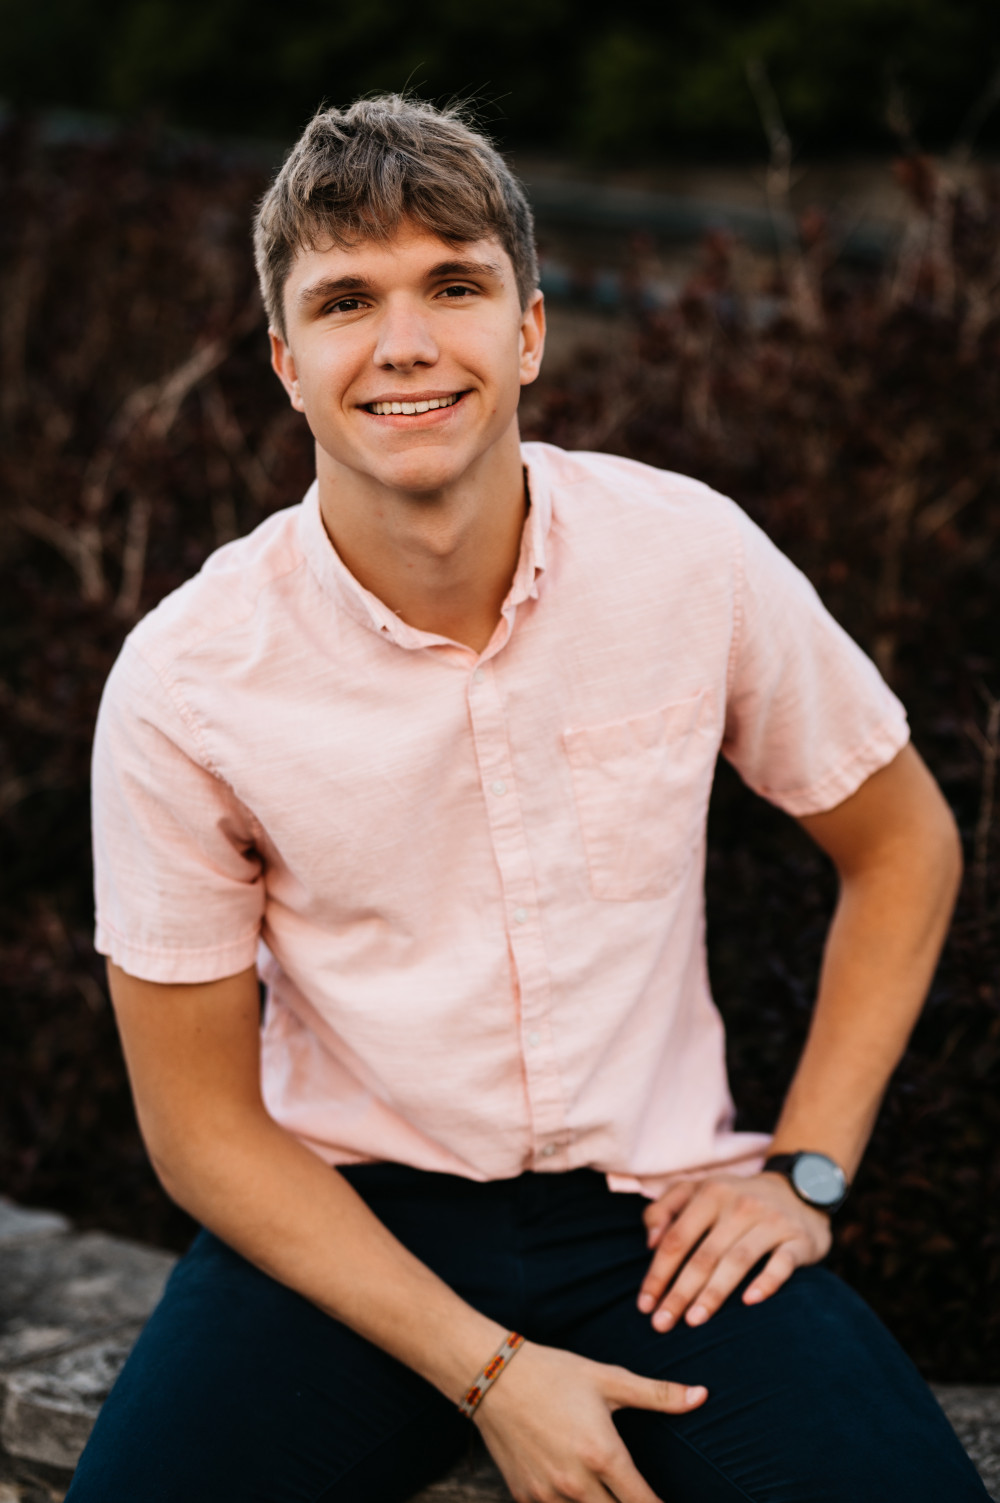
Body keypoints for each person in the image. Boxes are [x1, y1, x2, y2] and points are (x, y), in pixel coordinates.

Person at [70, 96, 988, 1503]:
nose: (407, 343)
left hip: (658, 1217)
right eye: (346, 301)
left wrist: (804, 1172)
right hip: (348, 1224)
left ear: (532, 332)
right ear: (286, 364)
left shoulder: (691, 559)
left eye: (455, 283)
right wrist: (494, 1374)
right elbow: (199, 1129)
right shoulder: (190, 681)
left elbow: (904, 844)